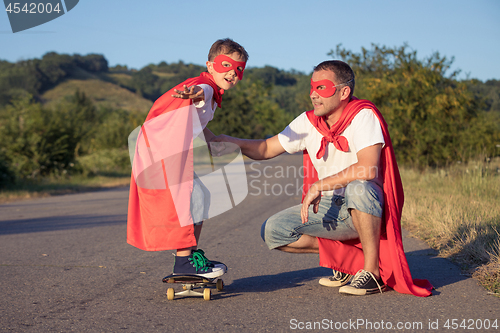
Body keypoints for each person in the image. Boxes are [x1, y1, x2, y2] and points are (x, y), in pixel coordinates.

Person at [211, 60, 433, 296]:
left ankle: (372, 274)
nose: (314, 95)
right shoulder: (307, 122)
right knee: (273, 230)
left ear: (344, 92)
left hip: (366, 206)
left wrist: (320, 185)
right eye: (312, 87)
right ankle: (349, 264)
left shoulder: (364, 115)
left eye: (322, 88)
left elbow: (368, 168)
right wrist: (232, 142)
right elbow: (266, 148)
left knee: (358, 187)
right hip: (331, 209)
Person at [127, 38, 249, 279]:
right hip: (162, 152)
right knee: (191, 199)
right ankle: (184, 261)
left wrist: (213, 140)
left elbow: (195, 122)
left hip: (160, 150)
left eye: (239, 69)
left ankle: (188, 256)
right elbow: (200, 93)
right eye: (226, 65)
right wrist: (196, 94)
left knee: (200, 196)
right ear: (210, 65)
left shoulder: (210, 90)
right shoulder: (205, 87)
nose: (232, 73)